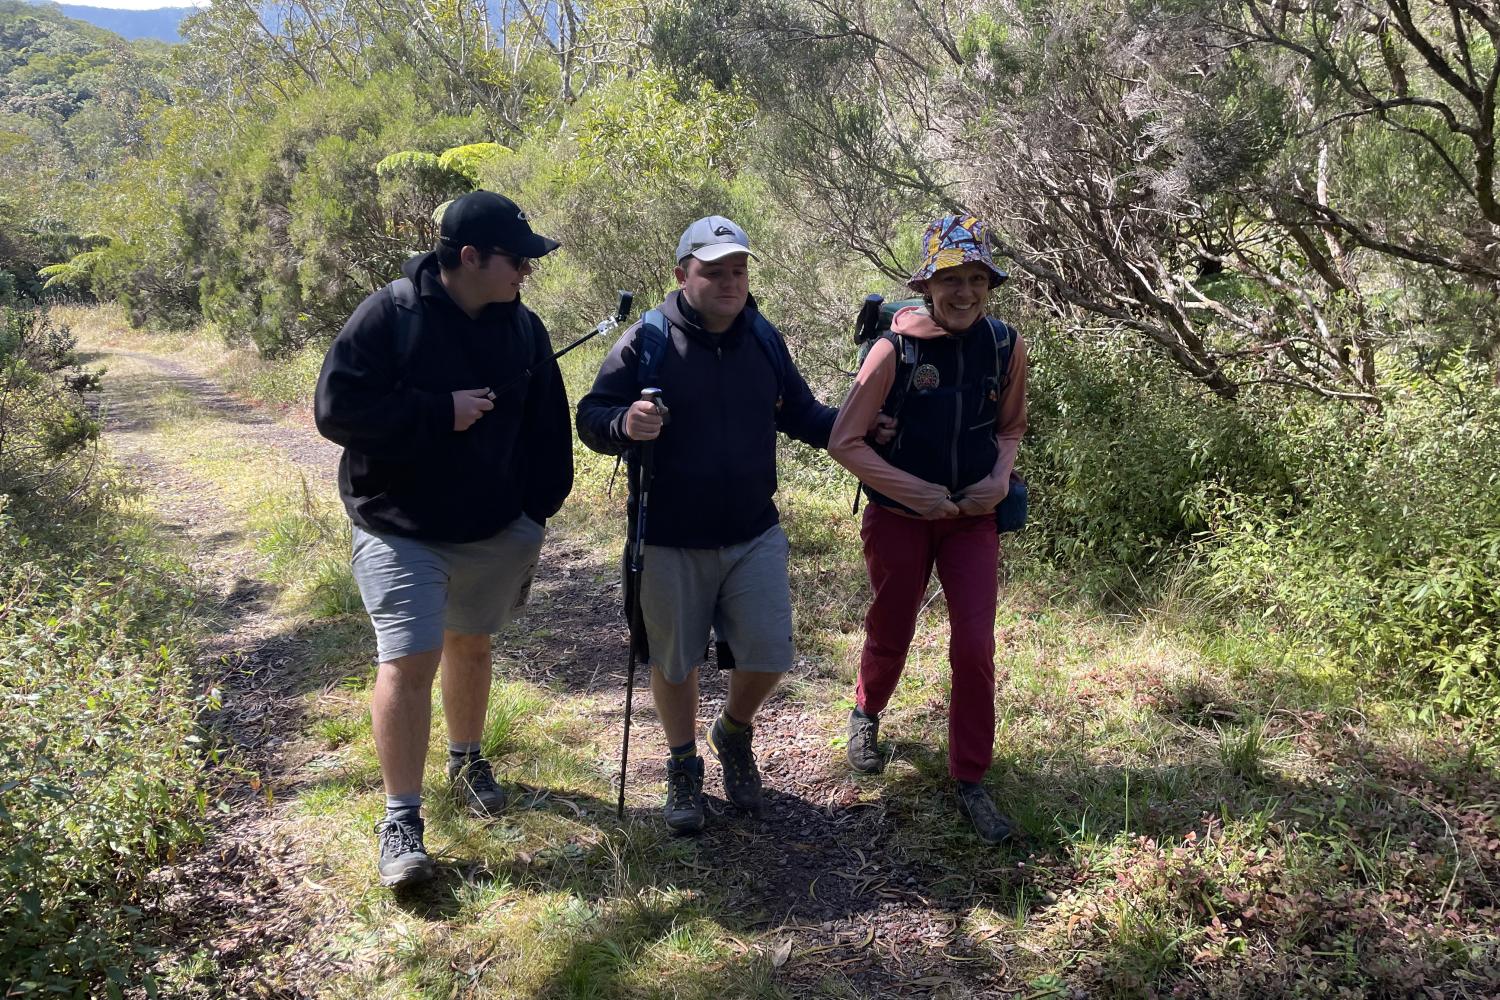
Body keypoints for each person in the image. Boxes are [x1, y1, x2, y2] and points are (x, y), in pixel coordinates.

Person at [313, 190, 573, 886]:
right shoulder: (390, 315)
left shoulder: (524, 330)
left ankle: (465, 759)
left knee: (472, 643)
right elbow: (336, 409)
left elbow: (550, 427)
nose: (526, 272)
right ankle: (402, 819)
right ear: (469, 257)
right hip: (396, 525)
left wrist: (535, 513)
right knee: (409, 655)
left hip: (493, 530)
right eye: (516, 259)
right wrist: (438, 412)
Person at [576, 216, 839, 833]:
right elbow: (592, 414)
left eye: (738, 270)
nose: (729, 282)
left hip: (753, 530)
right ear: (682, 275)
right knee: (675, 662)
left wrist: (861, 427)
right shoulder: (648, 341)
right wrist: (624, 425)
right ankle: (683, 765)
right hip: (668, 535)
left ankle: (732, 731)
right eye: (714, 271)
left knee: (771, 654)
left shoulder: (764, 339)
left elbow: (800, 413)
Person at [827, 214, 1027, 844]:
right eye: (949, 278)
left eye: (975, 279)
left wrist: (997, 481)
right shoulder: (895, 350)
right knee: (893, 623)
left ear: (989, 285)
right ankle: (867, 711)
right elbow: (845, 440)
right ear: (927, 284)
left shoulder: (1004, 345)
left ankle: (971, 776)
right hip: (899, 519)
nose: (963, 292)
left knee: (975, 644)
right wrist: (917, 495)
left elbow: (1011, 427)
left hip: (974, 521)